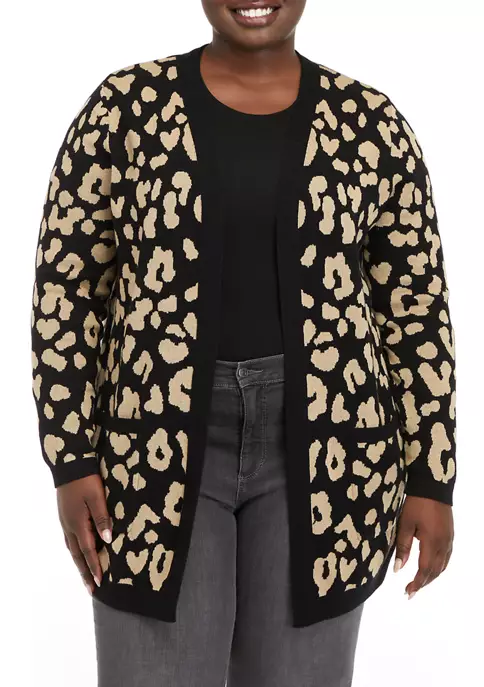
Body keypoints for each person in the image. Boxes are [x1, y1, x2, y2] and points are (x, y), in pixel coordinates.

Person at [30, 1, 456, 685]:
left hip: (328, 452)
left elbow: (415, 308)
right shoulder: (126, 110)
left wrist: (432, 476)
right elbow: (68, 284)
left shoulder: (369, 124)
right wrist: (70, 454)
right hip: (151, 448)